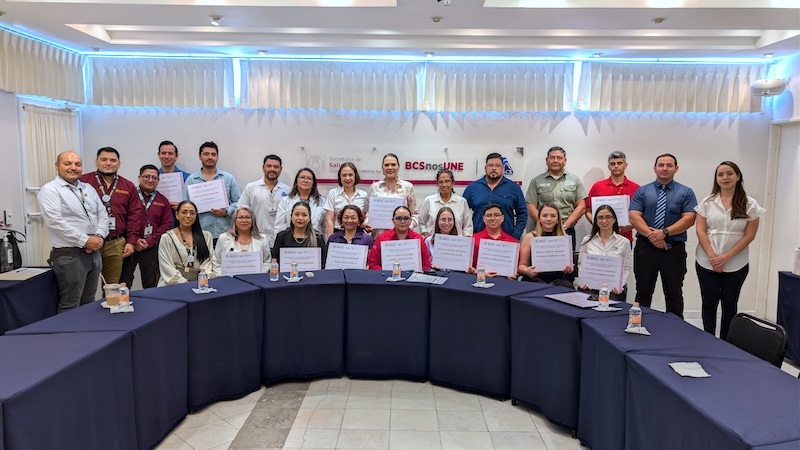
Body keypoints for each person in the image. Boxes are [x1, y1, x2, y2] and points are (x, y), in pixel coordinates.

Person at [695, 161, 764, 339]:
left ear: (738, 176)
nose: (725, 178)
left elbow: (749, 235)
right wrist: (713, 256)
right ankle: (708, 339)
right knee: (709, 302)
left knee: (730, 303)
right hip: (706, 261)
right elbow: (700, 231)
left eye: (729, 173)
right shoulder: (707, 202)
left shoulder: (750, 204)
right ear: (716, 178)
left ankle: (726, 342)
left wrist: (726, 257)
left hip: (736, 263)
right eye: (720, 174)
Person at [38, 151, 108, 313]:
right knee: (70, 304)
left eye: (78, 164)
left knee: (89, 300)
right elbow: (55, 222)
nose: (73, 167)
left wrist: (98, 236)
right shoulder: (50, 190)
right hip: (69, 256)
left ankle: (87, 330)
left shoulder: (88, 188)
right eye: (67, 163)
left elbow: (102, 214)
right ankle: (67, 332)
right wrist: (85, 240)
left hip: (93, 253)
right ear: (57, 166)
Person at [629, 153, 698, 317]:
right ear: (655, 168)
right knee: (643, 291)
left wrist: (664, 233)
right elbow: (634, 216)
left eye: (669, 165)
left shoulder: (686, 192)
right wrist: (653, 237)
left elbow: (689, 218)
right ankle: (638, 324)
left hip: (673, 248)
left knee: (674, 292)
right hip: (646, 248)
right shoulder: (642, 191)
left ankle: (674, 327)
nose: (665, 168)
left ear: (676, 168)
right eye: (661, 165)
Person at [79, 147, 143, 284]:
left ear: (119, 163)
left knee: (112, 285)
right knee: (85, 284)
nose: (108, 163)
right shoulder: (83, 182)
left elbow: (134, 215)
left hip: (115, 242)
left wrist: (131, 241)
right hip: (88, 242)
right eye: (104, 159)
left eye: (113, 160)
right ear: (96, 161)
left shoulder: (128, 186)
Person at [120, 165, 174, 289]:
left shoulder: (163, 200)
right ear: (139, 178)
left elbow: (166, 224)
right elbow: (121, 219)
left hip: (151, 247)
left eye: (154, 178)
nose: (150, 180)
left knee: (151, 283)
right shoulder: (128, 196)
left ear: (158, 181)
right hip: (128, 245)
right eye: (146, 176)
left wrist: (149, 241)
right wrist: (133, 240)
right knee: (123, 282)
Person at [526, 146, 587, 247]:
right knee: (541, 257)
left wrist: (564, 226)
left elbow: (582, 206)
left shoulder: (574, 180)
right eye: (552, 157)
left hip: (566, 230)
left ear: (565, 160)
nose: (555, 161)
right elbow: (531, 207)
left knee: (566, 258)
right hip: (542, 232)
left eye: (559, 158)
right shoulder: (536, 181)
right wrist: (544, 224)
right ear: (546, 160)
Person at [183, 141, 241, 243]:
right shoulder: (191, 180)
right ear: (200, 156)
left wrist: (226, 211)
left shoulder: (228, 178)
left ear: (217, 157)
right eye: (206, 154)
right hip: (200, 233)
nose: (210, 157)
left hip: (225, 233)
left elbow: (239, 202)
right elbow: (185, 207)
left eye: (213, 154)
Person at [463, 153, 527, 240]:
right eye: (490, 165)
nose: (493, 168)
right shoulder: (473, 188)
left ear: (503, 168)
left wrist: (515, 235)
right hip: (478, 239)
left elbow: (522, 213)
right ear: (485, 168)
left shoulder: (514, 188)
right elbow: (463, 213)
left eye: (497, 165)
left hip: (506, 240)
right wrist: (468, 235)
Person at [577, 205, 633, 299]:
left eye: (608, 217)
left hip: (613, 289)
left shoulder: (624, 242)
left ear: (614, 219)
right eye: (600, 217)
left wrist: (620, 284)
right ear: (596, 220)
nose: (604, 221)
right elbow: (581, 263)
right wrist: (583, 280)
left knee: (613, 300)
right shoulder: (587, 240)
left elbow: (626, 268)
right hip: (590, 286)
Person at [157, 200, 217, 286]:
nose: (188, 216)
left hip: (200, 284)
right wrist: (184, 282)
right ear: (177, 215)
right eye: (184, 212)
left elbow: (208, 261)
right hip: (173, 285)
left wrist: (201, 280)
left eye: (192, 213)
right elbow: (166, 266)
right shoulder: (167, 238)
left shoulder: (206, 236)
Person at [584, 151, 640, 241]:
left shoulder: (635, 188)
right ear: (608, 167)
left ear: (625, 165)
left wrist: (632, 226)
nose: (616, 166)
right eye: (613, 164)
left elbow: (641, 213)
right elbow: (587, 210)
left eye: (619, 163)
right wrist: (597, 224)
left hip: (625, 238)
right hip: (601, 237)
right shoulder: (598, 186)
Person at [238, 154, 291, 248]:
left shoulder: (288, 190)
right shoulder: (251, 188)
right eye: (269, 166)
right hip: (256, 239)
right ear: (263, 168)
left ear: (280, 169)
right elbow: (241, 212)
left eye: (276, 167)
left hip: (280, 241)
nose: (272, 169)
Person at [518, 202, 574, 288]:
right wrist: (527, 271)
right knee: (541, 287)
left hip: (558, 279)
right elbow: (521, 266)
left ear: (558, 219)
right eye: (544, 215)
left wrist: (569, 268)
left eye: (553, 216)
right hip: (534, 278)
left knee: (567, 287)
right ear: (539, 219)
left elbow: (570, 265)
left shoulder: (564, 238)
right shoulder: (530, 237)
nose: (548, 219)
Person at [366, 153, 419, 232]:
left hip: (401, 236)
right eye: (386, 165)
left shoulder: (408, 187)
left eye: (393, 164)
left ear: (398, 167)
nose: (390, 168)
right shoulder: (374, 187)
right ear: (382, 167)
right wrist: (367, 223)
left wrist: (406, 227)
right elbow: (367, 212)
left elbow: (415, 214)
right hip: (379, 235)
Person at [368, 206, 431, 271]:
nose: (402, 222)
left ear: (410, 221)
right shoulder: (382, 238)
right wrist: (385, 272)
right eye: (398, 218)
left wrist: (420, 272)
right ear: (393, 220)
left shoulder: (418, 239)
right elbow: (373, 263)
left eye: (406, 218)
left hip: (413, 276)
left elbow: (426, 263)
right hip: (386, 276)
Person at [214, 207, 271, 274]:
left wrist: (259, 275)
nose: (244, 220)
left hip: (256, 278)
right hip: (229, 279)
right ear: (234, 220)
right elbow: (216, 262)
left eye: (248, 217)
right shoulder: (223, 238)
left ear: (253, 220)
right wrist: (223, 277)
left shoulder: (262, 238)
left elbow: (267, 261)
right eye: (240, 217)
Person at [468, 203, 519, 278]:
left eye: (497, 215)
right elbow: (469, 268)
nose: (492, 218)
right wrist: (480, 273)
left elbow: (516, 268)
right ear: (483, 219)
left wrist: (512, 274)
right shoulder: (473, 240)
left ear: (502, 218)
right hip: (480, 280)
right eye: (489, 215)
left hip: (505, 281)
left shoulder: (513, 242)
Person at [419, 169, 473, 238]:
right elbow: (421, 222)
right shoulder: (429, 201)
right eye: (441, 182)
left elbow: (468, 226)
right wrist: (427, 236)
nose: (444, 185)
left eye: (447, 181)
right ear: (437, 184)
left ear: (452, 183)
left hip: (456, 242)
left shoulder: (462, 202)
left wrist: (465, 241)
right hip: (433, 243)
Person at [273, 201, 327, 266]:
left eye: (304, 215)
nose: (300, 218)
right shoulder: (282, 237)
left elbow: (323, 262)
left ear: (309, 218)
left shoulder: (318, 238)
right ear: (291, 216)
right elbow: (275, 261)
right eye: (297, 214)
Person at [275, 168, 326, 237]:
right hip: (290, 240)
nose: (305, 180)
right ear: (296, 181)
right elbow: (279, 226)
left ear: (313, 183)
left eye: (309, 178)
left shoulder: (322, 201)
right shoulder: (286, 201)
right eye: (302, 177)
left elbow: (325, 227)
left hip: (314, 239)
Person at [323, 162, 368, 239]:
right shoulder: (333, 193)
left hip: (358, 236)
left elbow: (365, 217)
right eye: (344, 175)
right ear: (340, 177)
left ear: (355, 176)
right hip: (338, 234)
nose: (347, 178)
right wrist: (331, 240)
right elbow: (329, 220)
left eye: (350, 175)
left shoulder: (364, 195)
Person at [156, 140, 190, 211]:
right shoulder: (153, 178)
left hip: (179, 217)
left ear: (176, 156)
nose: (166, 156)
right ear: (158, 155)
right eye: (163, 153)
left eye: (170, 153)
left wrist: (182, 206)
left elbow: (193, 204)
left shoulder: (187, 178)